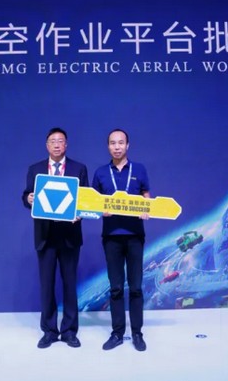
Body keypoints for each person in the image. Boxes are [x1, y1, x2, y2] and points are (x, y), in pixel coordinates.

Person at [22, 127, 88, 349]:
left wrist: (80, 213)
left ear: (66, 144)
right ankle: (49, 331)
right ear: (47, 145)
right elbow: (26, 195)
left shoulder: (79, 168)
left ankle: (69, 331)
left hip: (70, 236)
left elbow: (86, 199)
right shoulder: (35, 169)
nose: (57, 144)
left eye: (60, 141)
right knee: (47, 285)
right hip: (45, 236)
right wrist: (28, 198)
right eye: (53, 141)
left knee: (70, 285)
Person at [92, 129, 150, 352]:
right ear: (108, 146)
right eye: (112, 143)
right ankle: (117, 333)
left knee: (135, 287)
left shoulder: (139, 169)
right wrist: (101, 210)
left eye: (120, 143)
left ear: (127, 145)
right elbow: (93, 202)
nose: (117, 147)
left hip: (135, 236)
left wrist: (146, 208)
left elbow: (146, 195)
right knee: (116, 287)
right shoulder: (100, 173)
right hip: (112, 238)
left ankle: (137, 333)